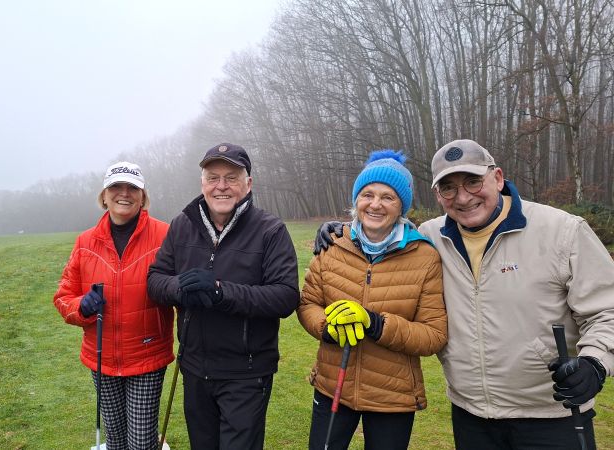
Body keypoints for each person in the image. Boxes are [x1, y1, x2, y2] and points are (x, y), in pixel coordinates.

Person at [316, 139, 613, 449]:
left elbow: (607, 308)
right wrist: (341, 230)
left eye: (473, 181)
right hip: (471, 415)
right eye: (449, 188)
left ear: (497, 178)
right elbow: (383, 226)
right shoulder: (430, 237)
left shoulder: (562, 231)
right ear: (438, 195)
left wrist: (594, 362)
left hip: (551, 414)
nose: (463, 197)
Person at [147, 143, 299, 450]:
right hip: (194, 366)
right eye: (213, 177)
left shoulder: (270, 230)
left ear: (248, 183)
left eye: (231, 178)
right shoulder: (182, 225)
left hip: (246, 372)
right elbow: (155, 280)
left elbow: (285, 296)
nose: (221, 186)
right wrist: (181, 288)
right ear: (202, 183)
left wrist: (220, 292)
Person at [298, 150, 448, 450]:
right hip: (333, 385)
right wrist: (327, 328)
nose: (375, 204)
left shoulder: (424, 256)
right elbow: (307, 304)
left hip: (392, 396)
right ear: (356, 200)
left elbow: (434, 335)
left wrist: (376, 324)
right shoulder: (331, 245)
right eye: (367, 194)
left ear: (401, 205)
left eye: (388, 197)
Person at [53, 161, 173, 450]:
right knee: (116, 441)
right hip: (101, 358)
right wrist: (82, 307)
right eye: (116, 187)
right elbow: (63, 297)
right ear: (104, 196)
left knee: (141, 442)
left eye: (132, 188)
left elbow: (179, 288)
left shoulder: (165, 235)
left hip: (147, 354)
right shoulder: (85, 242)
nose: (124, 193)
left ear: (143, 197)